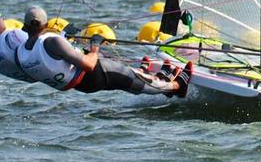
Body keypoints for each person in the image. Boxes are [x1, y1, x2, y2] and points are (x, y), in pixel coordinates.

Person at [14, 6, 191, 96]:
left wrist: (64, 35)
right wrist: (95, 45)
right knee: (135, 82)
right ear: (46, 25)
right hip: (94, 74)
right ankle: (175, 87)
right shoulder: (52, 41)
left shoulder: (21, 52)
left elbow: (48, 57)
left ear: (24, 26)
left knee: (129, 79)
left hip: (82, 87)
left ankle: (158, 78)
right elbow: (89, 64)